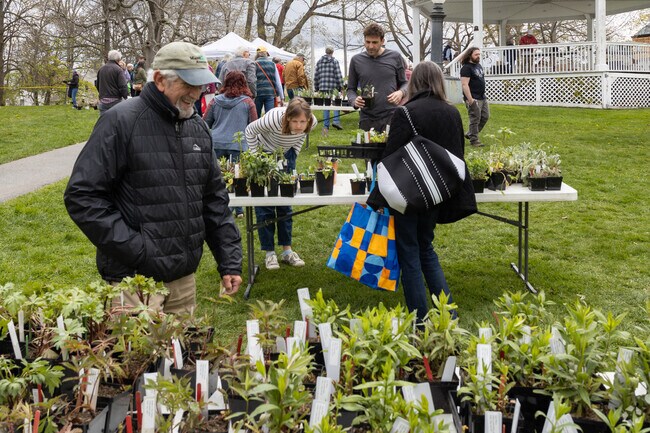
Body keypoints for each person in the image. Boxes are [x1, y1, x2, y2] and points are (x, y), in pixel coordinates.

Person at [64, 41, 243, 313]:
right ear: (160, 79)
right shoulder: (120, 121)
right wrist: (139, 250)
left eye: (201, 85)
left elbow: (213, 199)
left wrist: (228, 260)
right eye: (189, 84)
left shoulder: (198, 128)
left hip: (183, 279)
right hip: (134, 281)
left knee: (183, 354)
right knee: (138, 356)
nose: (196, 93)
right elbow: (82, 196)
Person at [367, 61, 477, 322]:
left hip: (407, 193)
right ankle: (447, 315)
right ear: (439, 81)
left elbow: (391, 155)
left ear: (414, 82)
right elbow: (456, 155)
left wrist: (377, 197)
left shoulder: (406, 112)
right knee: (426, 247)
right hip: (437, 192)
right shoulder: (452, 113)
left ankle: (419, 318)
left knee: (409, 251)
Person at [244, 98, 317, 270]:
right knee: (266, 205)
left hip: (286, 155)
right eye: (295, 121)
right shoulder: (274, 118)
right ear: (287, 118)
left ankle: (287, 251)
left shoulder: (311, 122)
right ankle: (269, 253)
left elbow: (301, 137)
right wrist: (258, 157)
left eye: (302, 121)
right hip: (264, 152)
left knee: (285, 203)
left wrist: (293, 155)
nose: (299, 125)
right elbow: (249, 131)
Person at [203, 70, 258, 218]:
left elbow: (205, 122)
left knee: (219, 178)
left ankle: (222, 207)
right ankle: (238, 209)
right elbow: (254, 125)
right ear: (244, 83)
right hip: (238, 144)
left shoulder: (215, 101)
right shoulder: (248, 103)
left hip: (217, 143)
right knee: (239, 177)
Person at [347, 23, 407, 132]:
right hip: (367, 118)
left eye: (374, 42)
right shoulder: (356, 60)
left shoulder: (395, 57)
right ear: (364, 41)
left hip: (391, 116)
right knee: (367, 149)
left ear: (382, 41)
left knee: (391, 149)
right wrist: (354, 100)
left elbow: (405, 83)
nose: (370, 46)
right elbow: (351, 89)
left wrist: (401, 92)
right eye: (367, 42)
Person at [460, 47, 489, 147]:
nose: (478, 56)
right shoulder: (466, 68)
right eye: (476, 54)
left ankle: (471, 133)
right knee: (475, 119)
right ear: (470, 55)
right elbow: (464, 85)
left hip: (482, 97)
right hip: (473, 98)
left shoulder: (478, 66)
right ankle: (474, 140)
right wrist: (470, 100)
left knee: (485, 116)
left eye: (479, 54)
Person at [314, 47, 344, 135]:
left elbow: (316, 76)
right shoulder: (334, 61)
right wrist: (341, 86)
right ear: (332, 52)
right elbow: (338, 74)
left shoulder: (319, 62)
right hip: (333, 87)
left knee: (326, 106)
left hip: (322, 87)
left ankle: (326, 126)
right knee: (336, 104)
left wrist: (316, 87)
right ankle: (336, 121)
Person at [96, 49, 129, 115]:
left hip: (103, 100)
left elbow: (97, 84)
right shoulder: (118, 69)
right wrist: (126, 96)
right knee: (116, 122)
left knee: (104, 121)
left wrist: (102, 94)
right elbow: (123, 86)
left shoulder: (101, 69)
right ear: (118, 59)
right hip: (115, 100)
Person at [254, 47, 283, 116]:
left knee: (256, 115)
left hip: (258, 92)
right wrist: (281, 96)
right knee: (269, 116)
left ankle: (257, 126)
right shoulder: (272, 64)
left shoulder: (254, 64)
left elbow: (252, 80)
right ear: (266, 54)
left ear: (257, 55)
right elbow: (278, 81)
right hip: (270, 92)